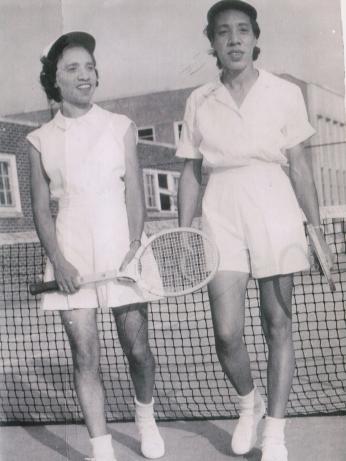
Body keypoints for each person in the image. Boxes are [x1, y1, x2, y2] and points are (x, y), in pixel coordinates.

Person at [176, 2, 332, 460]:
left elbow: (301, 166)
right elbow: (190, 172)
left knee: (277, 322)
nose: (235, 40)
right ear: (213, 44)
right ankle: (249, 405)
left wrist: (316, 229)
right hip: (220, 208)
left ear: (255, 37)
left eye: (243, 30)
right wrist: (185, 232)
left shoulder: (285, 92)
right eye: (224, 33)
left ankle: (276, 433)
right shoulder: (199, 99)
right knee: (226, 332)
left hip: (274, 203)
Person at [27, 32, 165, 461]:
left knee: (137, 348)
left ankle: (146, 423)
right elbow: (40, 210)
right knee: (85, 354)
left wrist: (134, 246)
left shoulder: (120, 126)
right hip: (71, 252)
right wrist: (58, 261)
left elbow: (134, 195)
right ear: (55, 81)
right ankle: (101, 448)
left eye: (89, 67)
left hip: (122, 245)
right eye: (73, 68)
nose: (85, 75)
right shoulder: (39, 140)